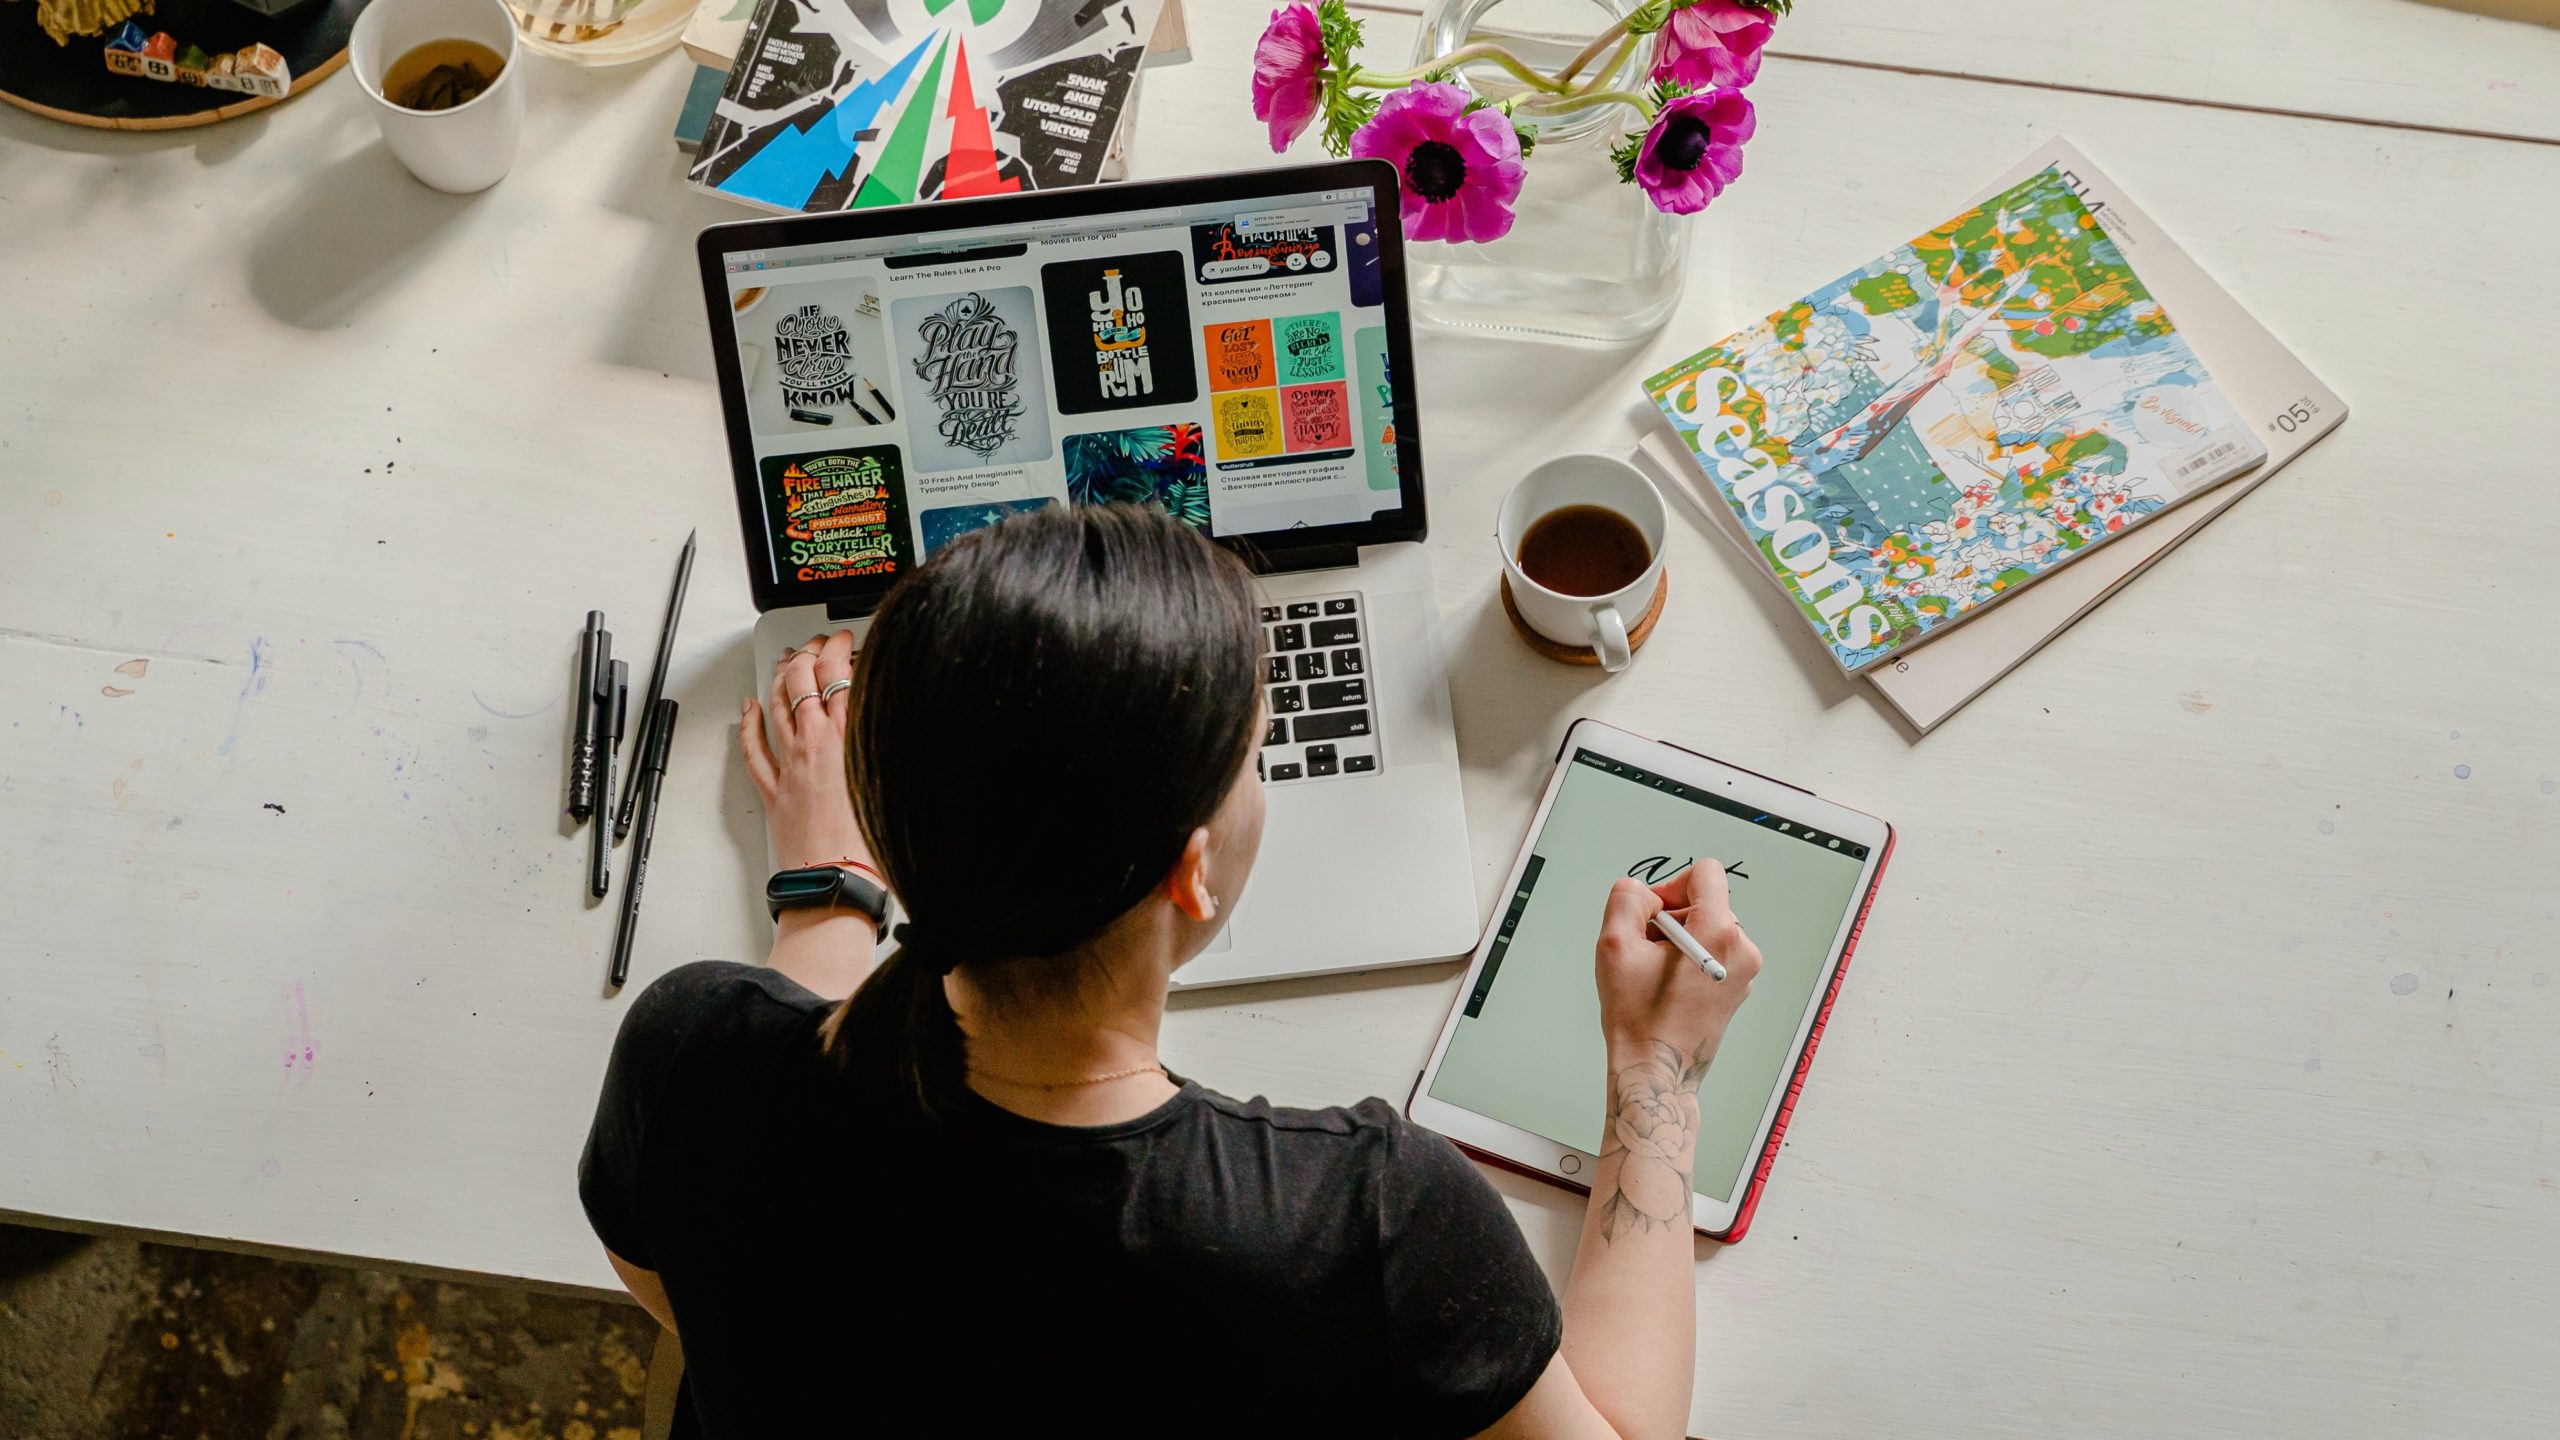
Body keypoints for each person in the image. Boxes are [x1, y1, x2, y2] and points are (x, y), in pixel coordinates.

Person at [579, 505, 1763, 1439]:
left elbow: (683, 1287)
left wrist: (827, 883)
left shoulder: (692, 1055)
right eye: (1255, 754)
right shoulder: (1359, 1225)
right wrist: (1656, 1070)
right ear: (1192, 873)